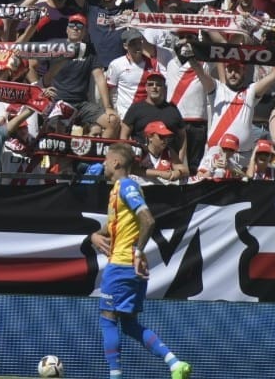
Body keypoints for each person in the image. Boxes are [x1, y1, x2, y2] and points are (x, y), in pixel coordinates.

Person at [89, 144, 191, 379]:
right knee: (130, 324)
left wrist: (136, 253)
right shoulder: (119, 189)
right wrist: (96, 234)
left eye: (106, 159)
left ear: (116, 162)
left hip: (123, 264)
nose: (103, 164)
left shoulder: (126, 185)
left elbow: (148, 220)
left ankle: (115, 376)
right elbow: (116, 224)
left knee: (108, 319)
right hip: (129, 265)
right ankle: (174, 363)